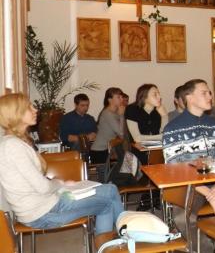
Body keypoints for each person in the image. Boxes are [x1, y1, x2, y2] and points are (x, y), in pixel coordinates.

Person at [0, 93, 123, 235]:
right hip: (43, 213)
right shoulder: (13, 146)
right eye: (29, 107)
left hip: (48, 202)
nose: (35, 110)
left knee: (111, 188)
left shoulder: (15, 142)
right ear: (16, 114)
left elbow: (35, 182)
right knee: (106, 204)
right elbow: (43, 187)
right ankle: (116, 241)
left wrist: (62, 185)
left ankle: (125, 232)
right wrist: (60, 184)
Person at [162, 79, 215, 252]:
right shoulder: (172, 128)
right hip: (191, 186)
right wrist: (209, 193)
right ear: (189, 97)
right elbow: (175, 170)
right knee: (181, 217)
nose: (210, 95)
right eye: (204, 92)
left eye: (210, 92)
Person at [90, 88, 125, 171]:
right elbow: (121, 132)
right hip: (100, 152)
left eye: (121, 97)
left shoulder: (115, 112)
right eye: (118, 97)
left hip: (109, 150)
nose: (121, 99)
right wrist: (122, 115)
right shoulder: (107, 114)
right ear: (110, 100)